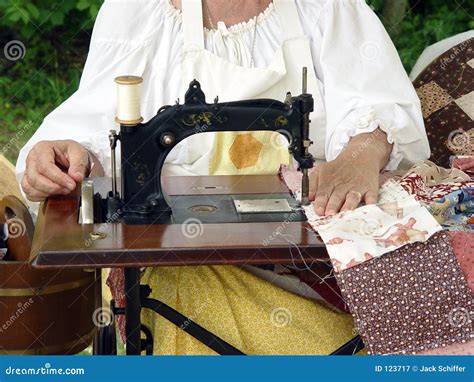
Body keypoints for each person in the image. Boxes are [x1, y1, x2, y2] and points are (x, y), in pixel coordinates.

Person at [16, 0, 430, 354]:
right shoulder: (137, 11)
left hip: (316, 253)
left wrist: (361, 154)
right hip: (175, 253)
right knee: (189, 295)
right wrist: (67, 154)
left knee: (413, 294)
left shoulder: (327, 7)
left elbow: (379, 105)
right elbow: (95, 127)